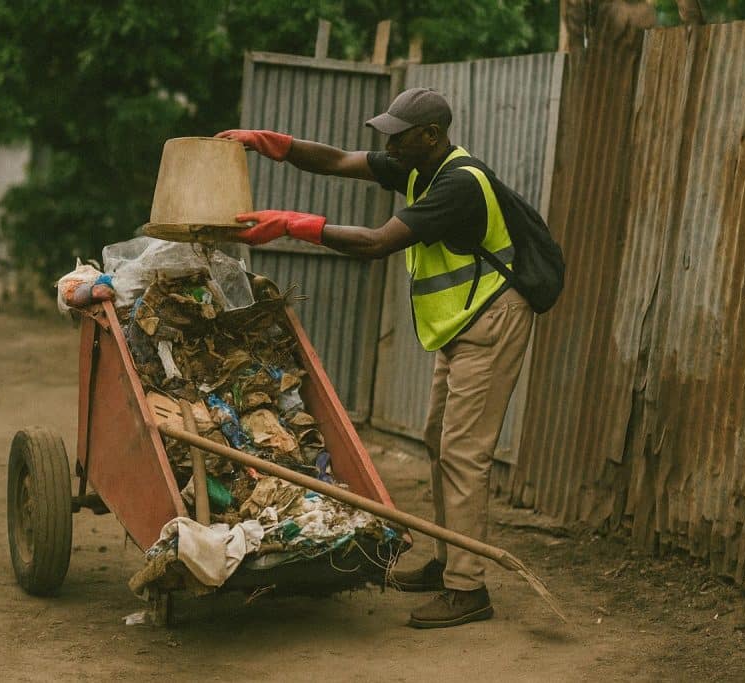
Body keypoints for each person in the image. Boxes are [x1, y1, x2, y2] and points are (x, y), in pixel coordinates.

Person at [216, 87, 534, 629]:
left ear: (430, 136)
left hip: (492, 321)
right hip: (460, 323)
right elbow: (339, 160)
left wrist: (295, 225)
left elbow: (375, 243)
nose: (390, 144)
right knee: (440, 439)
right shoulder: (419, 167)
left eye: (399, 135)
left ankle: (468, 589)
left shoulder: (458, 183)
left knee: (463, 452)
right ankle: (447, 558)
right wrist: (273, 144)